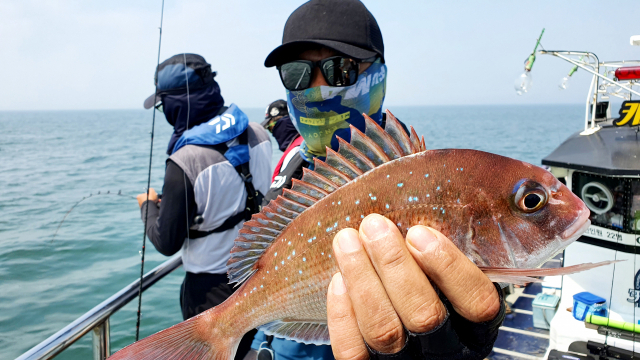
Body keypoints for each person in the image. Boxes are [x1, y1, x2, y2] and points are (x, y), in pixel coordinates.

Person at [248, 1, 505, 359]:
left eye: (340, 70)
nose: (318, 88)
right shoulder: (292, 159)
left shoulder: (419, 176)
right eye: (297, 74)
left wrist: (460, 326)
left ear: (378, 73)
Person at [136, 53, 271, 360]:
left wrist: (147, 206)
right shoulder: (259, 133)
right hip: (259, 275)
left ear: (176, 105)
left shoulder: (185, 162)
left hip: (210, 293)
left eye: (162, 105)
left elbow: (166, 241)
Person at [261, 100, 303, 184]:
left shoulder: (297, 151)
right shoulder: (305, 144)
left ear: (281, 123)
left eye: (271, 127)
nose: (272, 133)